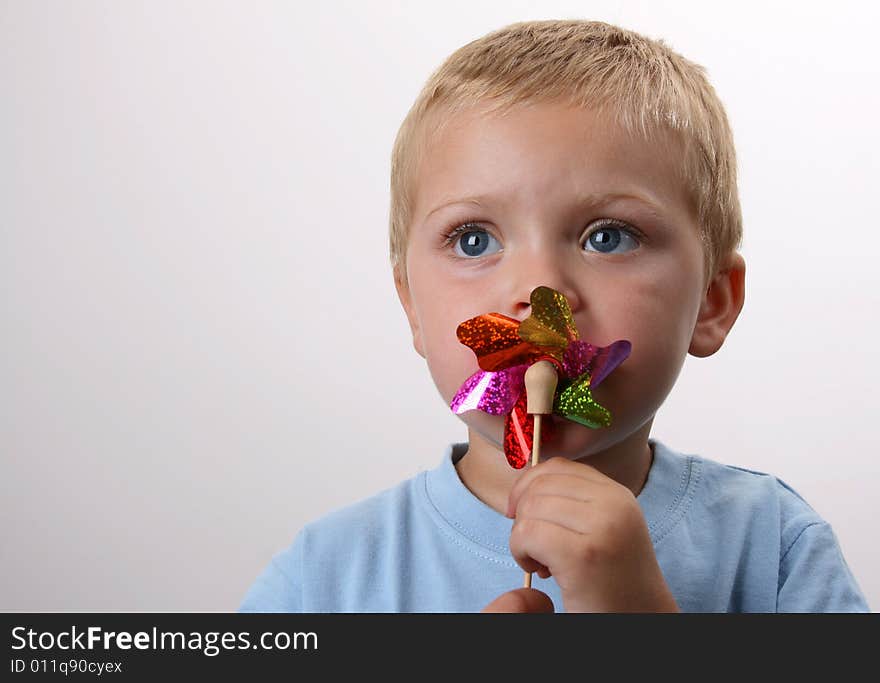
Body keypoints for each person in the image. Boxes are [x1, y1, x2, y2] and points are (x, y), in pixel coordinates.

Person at [239, 19, 869, 612]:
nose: (542, 295)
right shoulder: (322, 578)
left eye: (609, 236)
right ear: (412, 307)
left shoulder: (776, 546)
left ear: (712, 302)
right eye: (474, 240)